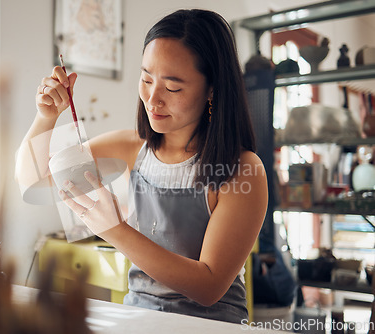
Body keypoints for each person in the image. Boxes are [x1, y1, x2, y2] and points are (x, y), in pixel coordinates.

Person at [15, 9, 268, 324]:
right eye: (146, 78)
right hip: (138, 319)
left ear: (212, 89)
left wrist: (115, 231)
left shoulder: (243, 170)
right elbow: (33, 180)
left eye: (172, 87)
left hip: (211, 326)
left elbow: (209, 286)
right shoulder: (132, 148)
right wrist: (46, 117)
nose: (152, 99)